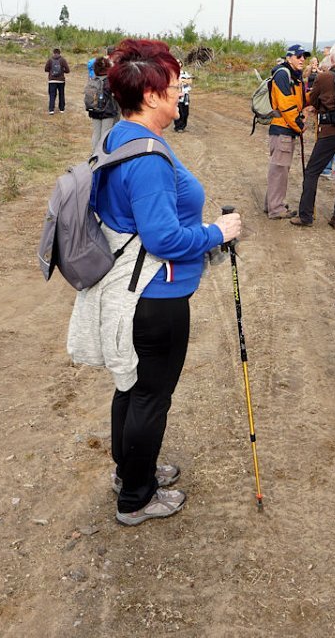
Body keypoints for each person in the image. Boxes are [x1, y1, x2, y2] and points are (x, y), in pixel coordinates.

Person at [89, 38, 242, 526]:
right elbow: (164, 237)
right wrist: (218, 232)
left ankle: (130, 472)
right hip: (156, 297)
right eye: (176, 86)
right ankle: (136, 497)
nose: (182, 93)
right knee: (150, 395)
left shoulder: (120, 136)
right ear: (152, 95)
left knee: (132, 387)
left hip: (133, 292)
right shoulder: (149, 160)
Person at [292, 42, 335, 230]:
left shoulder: (325, 77)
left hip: (330, 131)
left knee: (312, 171)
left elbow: (314, 100)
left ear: (332, 58)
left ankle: (305, 216)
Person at [264, 44, 310, 219]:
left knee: (279, 169)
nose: (302, 59)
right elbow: (287, 106)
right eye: (299, 56)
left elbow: (299, 100)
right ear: (289, 57)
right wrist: (300, 126)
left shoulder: (294, 76)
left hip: (284, 129)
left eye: (304, 56)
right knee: (279, 170)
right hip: (283, 129)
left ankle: (272, 204)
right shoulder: (283, 74)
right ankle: (276, 209)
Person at [86, 57, 121, 151]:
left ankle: (94, 153)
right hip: (107, 111)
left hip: (94, 109)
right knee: (105, 134)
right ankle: (102, 154)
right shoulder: (110, 81)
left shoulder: (93, 80)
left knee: (96, 133)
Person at [44, 47, 71, 114]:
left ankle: (51, 110)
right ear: (59, 53)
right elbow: (68, 70)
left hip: (52, 80)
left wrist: (51, 71)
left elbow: (46, 69)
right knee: (61, 94)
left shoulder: (50, 60)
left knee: (52, 95)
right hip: (61, 80)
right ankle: (61, 109)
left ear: (53, 52)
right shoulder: (63, 60)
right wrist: (62, 71)